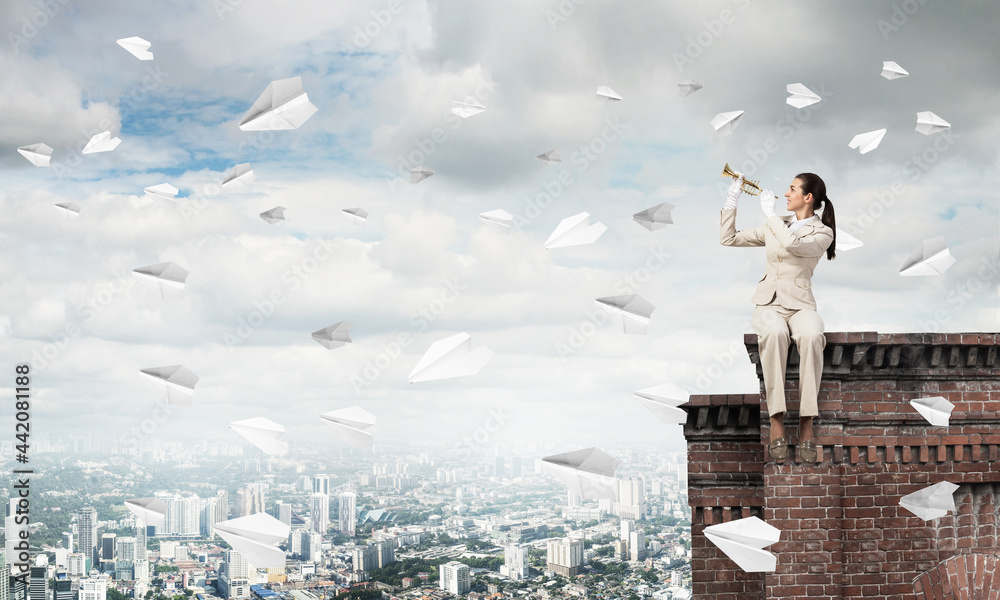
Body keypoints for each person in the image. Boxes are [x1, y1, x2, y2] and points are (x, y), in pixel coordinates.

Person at [719, 172, 837, 462]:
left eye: (793, 189)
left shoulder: (823, 233)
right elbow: (728, 238)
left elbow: (793, 245)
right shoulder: (777, 224)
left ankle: (807, 421)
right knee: (774, 334)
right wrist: (733, 197)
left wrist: (771, 216)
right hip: (769, 303)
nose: (786, 194)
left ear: (808, 198)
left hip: (800, 304)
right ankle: (776, 420)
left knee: (811, 336)